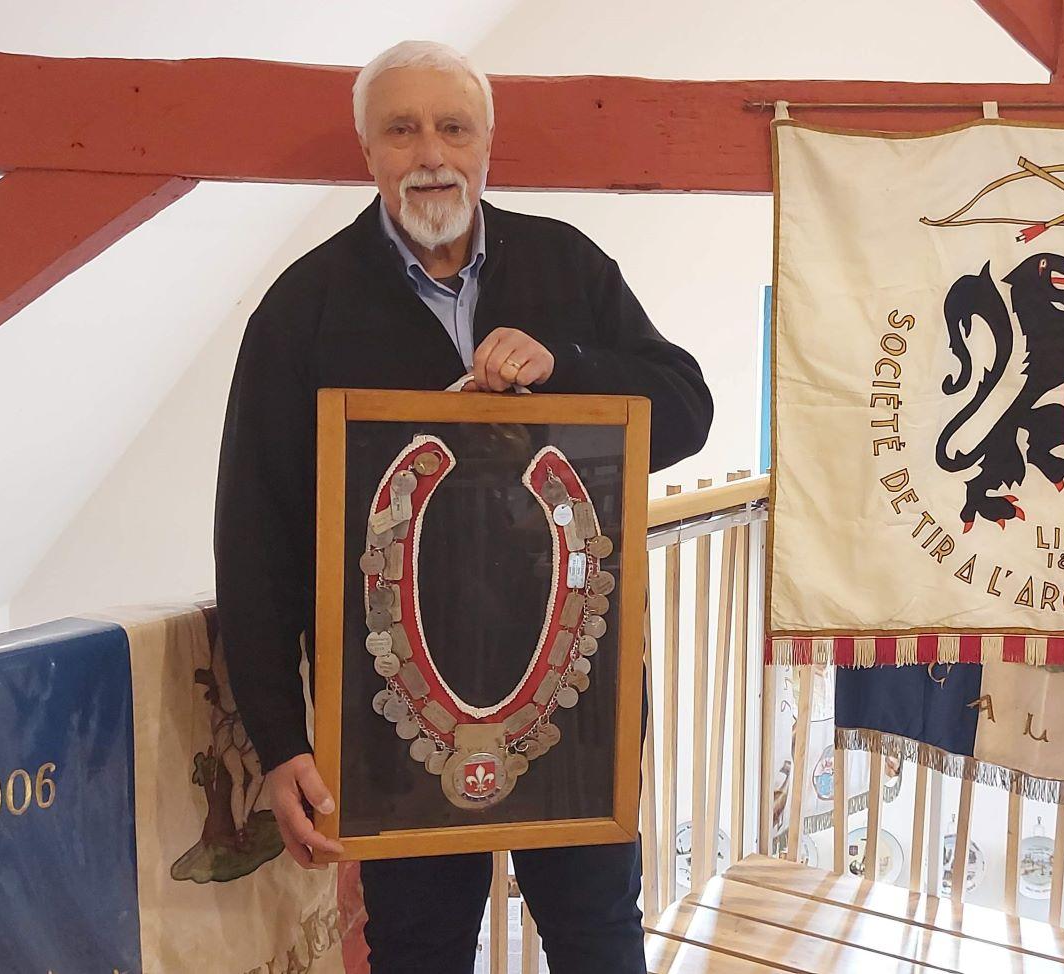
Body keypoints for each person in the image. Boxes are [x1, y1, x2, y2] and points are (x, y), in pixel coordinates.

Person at [213, 39, 712, 974]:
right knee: (417, 949)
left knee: (598, 937)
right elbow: (256, 540)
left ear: (488, 145)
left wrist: (571, 369)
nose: (430, 151)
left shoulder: (570, 266)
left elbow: (688, 410)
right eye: (401, 130)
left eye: (454, 127)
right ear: (367, 151)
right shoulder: (299, 310)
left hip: (578, 705)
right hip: (391, 716)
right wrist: (280, 741)